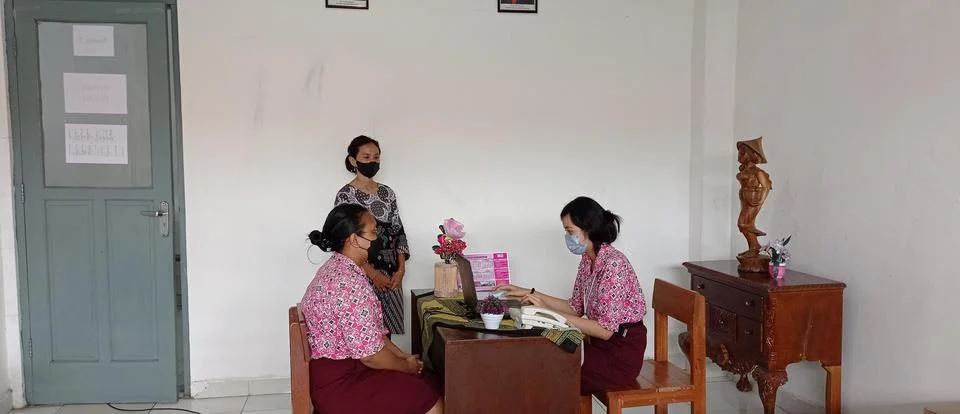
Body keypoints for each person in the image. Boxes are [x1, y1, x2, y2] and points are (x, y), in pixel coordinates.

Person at [494, 196, 647, 395]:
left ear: (588, 229)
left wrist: (546, 313)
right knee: (540, 360)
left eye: (569, 231)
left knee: (549, 371)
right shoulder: (587, 259)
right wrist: (530, 292)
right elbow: (575, 307)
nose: (567, 237)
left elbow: (604, 330)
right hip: (598, 346)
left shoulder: (614, 264)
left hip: (620, 355)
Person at [302, 204, 442, 414]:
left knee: (429, 379)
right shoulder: (348, 283)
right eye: (373, 232)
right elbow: (370, 356)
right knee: (427, 397)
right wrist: (407, 367)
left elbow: (372, 334)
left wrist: (403, 357)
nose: (378, 239)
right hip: (341, 384)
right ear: (353, 239)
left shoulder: (338, 268)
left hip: (346, 369)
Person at [334, 135, 409, 337]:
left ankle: (389, 369)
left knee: (388, 333)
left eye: (376, 157)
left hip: (391, 274)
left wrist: (401, 270)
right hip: (361, 274)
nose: (372, 162)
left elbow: (398, 231)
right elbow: (344, 240)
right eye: (366, 157)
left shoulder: (388, 193)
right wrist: (373, 274)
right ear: (353, 160)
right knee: (365, 331)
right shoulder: (345, 195)